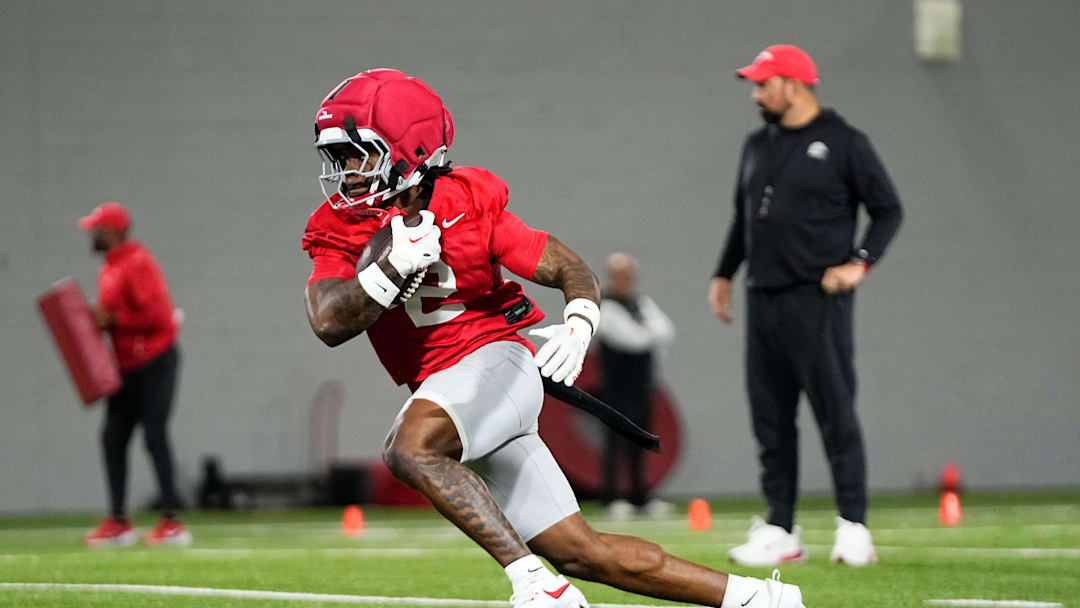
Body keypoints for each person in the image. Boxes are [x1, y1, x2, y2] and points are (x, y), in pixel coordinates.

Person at [302, 69, 806, 608]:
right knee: (582, 553)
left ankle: (535, 584)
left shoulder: (468, 202)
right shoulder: (337, 226)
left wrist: (581, 318)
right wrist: (389, 270)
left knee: (408, 449)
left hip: (497, 362)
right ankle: (759, 600)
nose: (347, 173)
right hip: (454, 393)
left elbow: (563, 263)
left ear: (412, 149)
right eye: (339, 158)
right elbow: (329, 321)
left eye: (359, 154)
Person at [708, 45, 903, 567]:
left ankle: (853, 527)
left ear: (793, 85)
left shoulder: (845, 144)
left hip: (817, 301)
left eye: (762, 84)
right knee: (770, 419)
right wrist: (724, 273)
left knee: (835, 411)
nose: (755, 94)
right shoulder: (755, 145)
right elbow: (743, 219)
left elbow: (888, 210)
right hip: (763, 303)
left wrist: (859, 263)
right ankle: (780, 528)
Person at [78, 202, 191, 547]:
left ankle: (171, 522)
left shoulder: (137, 263)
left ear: (113, 230)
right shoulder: (109, 268)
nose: (92, 235)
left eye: (96, 228)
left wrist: (113, 321)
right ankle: (118, 522)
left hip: (155, 361)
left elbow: (159, 317)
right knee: (112, 437)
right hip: (125, 366)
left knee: (154, 436)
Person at [595, 253, 675, 520]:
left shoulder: (641, 303)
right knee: (615, 442)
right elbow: (630, 339)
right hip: (615, 386)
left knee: (642, 441)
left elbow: (666, 330)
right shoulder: (604, 306)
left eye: (629, 275)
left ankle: (641, 497)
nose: (625, 280)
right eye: (620, 275)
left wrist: (645, 331)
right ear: (611, 276)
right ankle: (613, 497)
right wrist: (646, 331)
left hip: (643, 385)